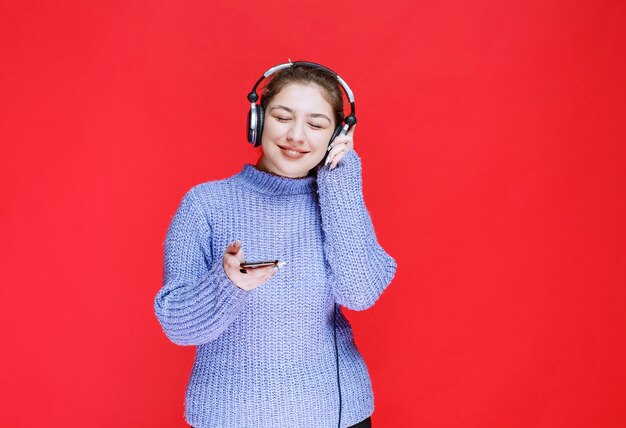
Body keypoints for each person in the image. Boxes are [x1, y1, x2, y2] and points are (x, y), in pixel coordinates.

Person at [154, 62, 397, 428]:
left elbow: (360, 292)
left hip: (337, 416)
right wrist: (228, 285)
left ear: (336, 137)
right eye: (283, 117)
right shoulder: (205, 204)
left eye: (316, 125)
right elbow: (179, 327)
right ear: (258, 120)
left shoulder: (338, 201)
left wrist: (341, 180)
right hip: (232, 417)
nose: (297, 136)